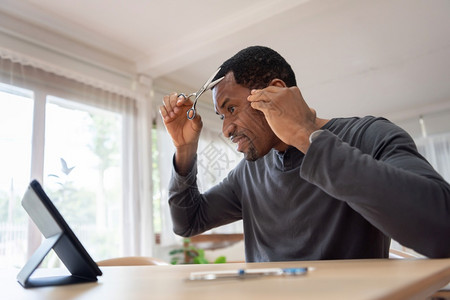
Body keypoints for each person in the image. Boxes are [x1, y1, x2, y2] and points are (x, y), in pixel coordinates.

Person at [159, 46, 450, 262]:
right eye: (222, 117)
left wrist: (305, 137)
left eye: (231, 109)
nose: (227, 129)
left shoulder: (370, 136)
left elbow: (442, 228)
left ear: (274, 92)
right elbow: (188, 222)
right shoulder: (249, 173)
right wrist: (184, 150)